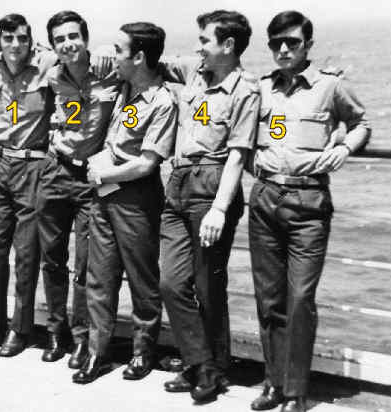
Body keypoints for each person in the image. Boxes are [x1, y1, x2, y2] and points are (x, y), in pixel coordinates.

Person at [248, 11, 371, 412]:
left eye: (292, 42)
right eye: (276, 43)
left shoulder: (330, 86)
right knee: (269, 299)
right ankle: (273, 383)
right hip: (265, 198)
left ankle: (296, 391)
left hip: (309, 202)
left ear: (308, 46)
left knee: (300, 298)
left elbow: (361, 123)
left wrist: (345, 147)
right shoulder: (261, 88)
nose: (283, 50)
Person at [158, 10, 260, 403]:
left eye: (205, 40)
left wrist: (219, 209)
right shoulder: (193, 72)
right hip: (178, 182)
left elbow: (237, 155)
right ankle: (202, 363)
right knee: (171, 282)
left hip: (212, 186)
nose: (198, 46)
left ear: (228, 45)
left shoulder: (244, 90)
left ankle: (209, 369)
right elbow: (152, 59)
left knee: (207, 285)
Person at [71, 22, 178, 384]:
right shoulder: (123, 87)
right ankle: (97, 353)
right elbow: (87, 62)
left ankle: (143, 351)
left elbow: (147, 163)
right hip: (105, 196)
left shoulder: (162, 102)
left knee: (141, 280)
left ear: (140, 57)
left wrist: (103, 174)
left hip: (136, 199)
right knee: (99, 278)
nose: (113, 55)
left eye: (120, 50)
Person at [0, 14, 57, 357]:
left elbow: (82, 67)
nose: (15, 45)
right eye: (8, 39)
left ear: (31, 40)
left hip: (33, 165)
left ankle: (20, 330)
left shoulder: (47, 62)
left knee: (26, 254)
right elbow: (4, 110)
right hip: (1, 163)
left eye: (22, 38)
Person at [36, 10, 117, 369]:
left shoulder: (109, 69)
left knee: (86, 265)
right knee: (52, 257)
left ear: (85, 38)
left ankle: (82, 339)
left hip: (90, 179)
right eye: (60, 39)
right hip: (56, 171)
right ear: (52, 46)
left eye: (73, 36)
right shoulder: (53, 76)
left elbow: (144, 63)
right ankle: (57, 332)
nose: (67, 44)